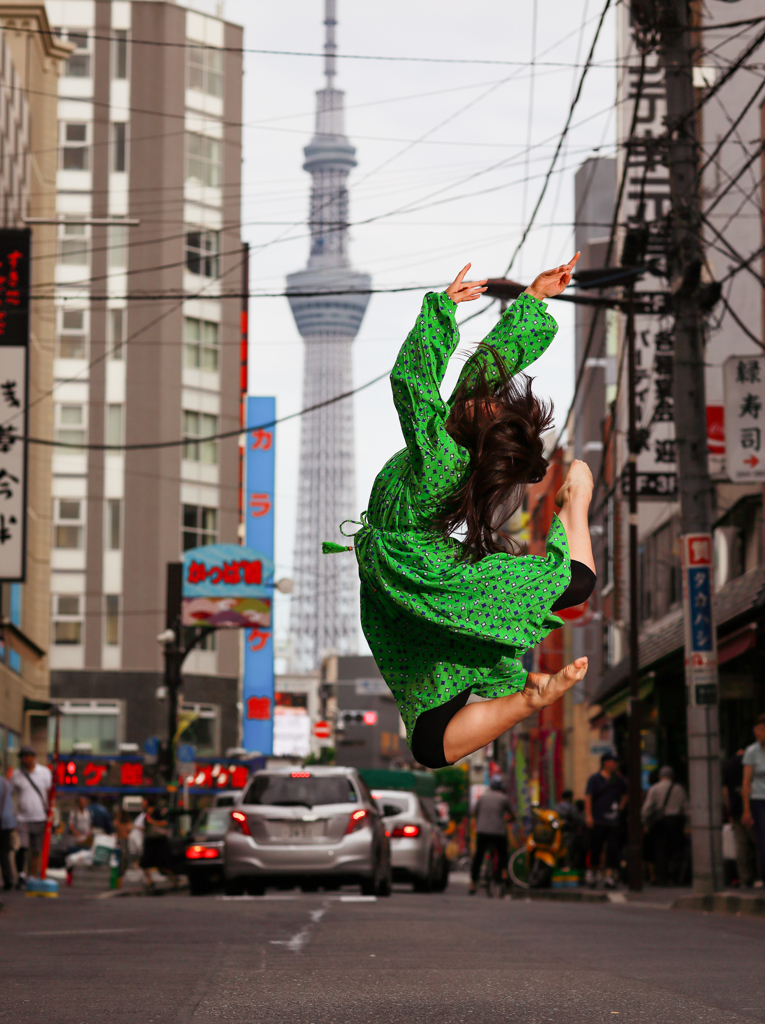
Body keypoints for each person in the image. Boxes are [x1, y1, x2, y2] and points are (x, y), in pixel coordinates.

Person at [334, 256, 595, 770]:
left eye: (488, 408)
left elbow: (411, 383)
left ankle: (577, 503)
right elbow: (486, 368)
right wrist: (534, 299)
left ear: (478, 440)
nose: (482, 400)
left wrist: (441, 311)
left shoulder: (442, 455)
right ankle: (529, 697)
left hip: (422, 569)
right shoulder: (460, 433)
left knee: (575, 584)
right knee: (431, 744)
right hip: (406, 570)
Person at [11, 745, 52, 887]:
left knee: (36, 850)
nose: (25, 759)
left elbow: (50, 793)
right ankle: (21, 875)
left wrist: (51, 812)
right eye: (22, 757)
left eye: (27, 756)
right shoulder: (17, 774)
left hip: (40, 817)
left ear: (33, 757)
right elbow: (12, 794)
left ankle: (31, 877)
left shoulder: (45, 773)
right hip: (22, 817)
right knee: (22, 847)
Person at [584, 752, 627, 889]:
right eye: (613, 761)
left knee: (613, 849)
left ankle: (610, 875)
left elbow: (626, 794)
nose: (615, 764)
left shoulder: (618, 780)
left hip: (613, 821)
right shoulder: (595, 779)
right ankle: (593, 872)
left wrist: (620, 808)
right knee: (596, 847)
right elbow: (588, 797)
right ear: (605, 763)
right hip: (598, 819)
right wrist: (589, 816)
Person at [641, 766, 687, 886]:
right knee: (677, 849)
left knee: (661, 850)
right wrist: (688, 824)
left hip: (661, 822)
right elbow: (686, 808)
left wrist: (645, 822)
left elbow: (647, 808)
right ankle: (675, 876)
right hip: (677, 821)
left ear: (659, 776)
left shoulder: (654, 788)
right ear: (673, 776)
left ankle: (662, 878)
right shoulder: (679, 789)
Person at [469, 776, 514, 894]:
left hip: (482, 832)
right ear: (500, 787)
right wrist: (509, 820)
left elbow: (474, 812)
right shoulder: (503, 798)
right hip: (498, 833)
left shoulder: (482, 798)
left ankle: (473, 884)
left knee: (478, 857)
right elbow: (512, 813)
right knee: (503, 853)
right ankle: (502, 874)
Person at [723, 748, 759, 887]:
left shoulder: (729, 764)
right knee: (758, 843)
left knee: (741, 846)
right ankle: (760, 876)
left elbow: (725, 790)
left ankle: (745, 878)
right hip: (754, 808)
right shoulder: (753, 763)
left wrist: (729, 809)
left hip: (736, 809)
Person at [742, 713, 765, 888]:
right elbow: (746, 782)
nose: (759, 732)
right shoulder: (752, 751)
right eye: (756, 729)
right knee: (762, 839)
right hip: (759, 799)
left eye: (762, 729)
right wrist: (746, 809)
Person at [139, 799, 177, 890]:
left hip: (159, 841)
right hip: (150, 840)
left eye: (144, 801)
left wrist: (152, 822)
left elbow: (165, 823)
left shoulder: (157, 812)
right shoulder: (146, 814)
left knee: (162, 864)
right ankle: (150, 881)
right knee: (145, 863)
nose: (142, 803)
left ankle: (174, 879)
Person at [556, 788, 586, 872]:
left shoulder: (556, 806)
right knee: (569, 851)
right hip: (569, 832)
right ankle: (568, 867)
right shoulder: (571, 807)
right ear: (570, 797)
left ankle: (560, 867)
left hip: (557, 833)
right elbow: (578, 819)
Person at [0, 772, 17, 891]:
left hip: (2, 821)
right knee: (4, 852)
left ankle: (8, 879)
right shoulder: (6, 782)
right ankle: (8, 878)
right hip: (8, 822)